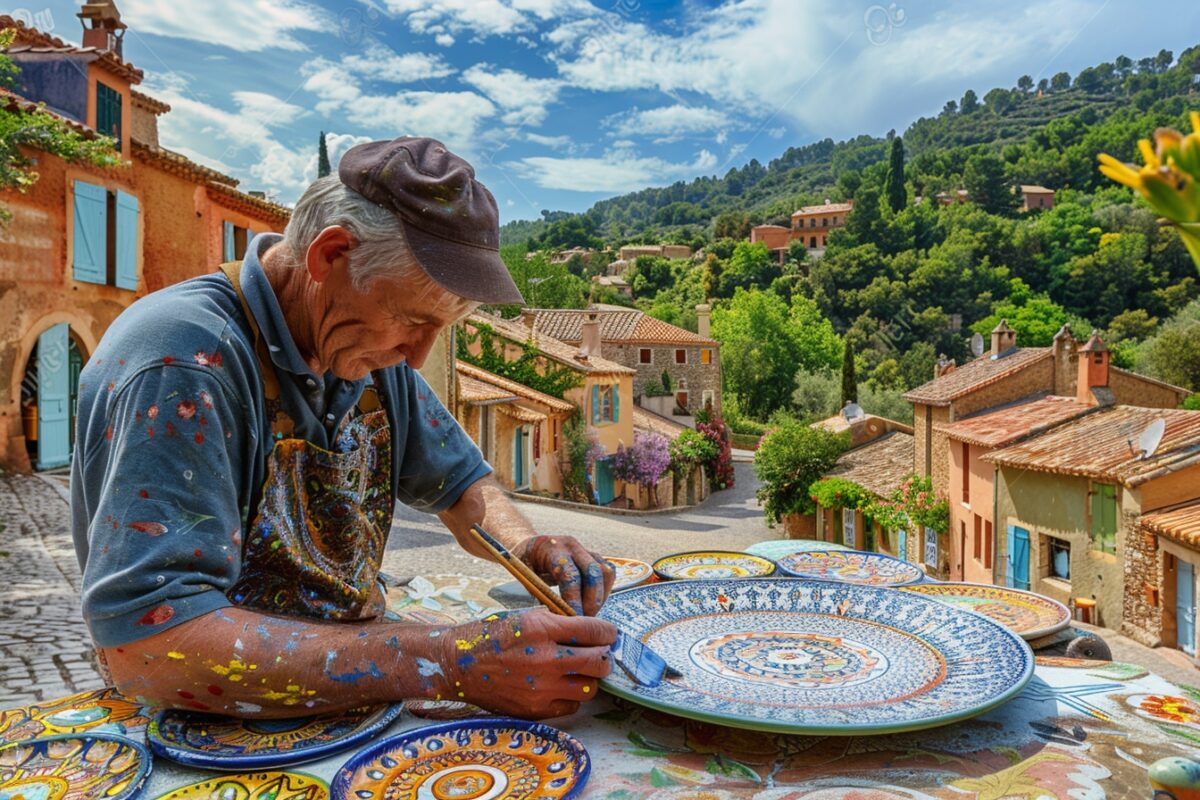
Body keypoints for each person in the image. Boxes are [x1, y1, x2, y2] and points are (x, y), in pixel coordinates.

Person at [70, 137, 616, 719]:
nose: (416, 355)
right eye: (411, 319)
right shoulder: (183, 362)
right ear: (330, 255)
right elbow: (147, 647)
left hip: (350, 693)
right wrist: (445, 661)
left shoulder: (365, 349)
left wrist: (526, 545)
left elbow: (460, 485)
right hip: (207, 723)